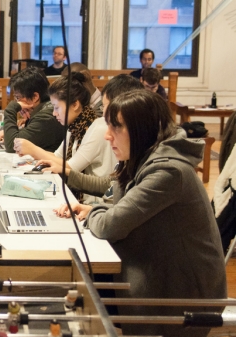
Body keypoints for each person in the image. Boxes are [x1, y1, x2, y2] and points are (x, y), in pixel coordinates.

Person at [54, 90, 227, 337]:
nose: (107, 135)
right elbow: (121, 207)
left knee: (77, 290)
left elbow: (111, 225)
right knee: (77, 287)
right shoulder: (146, 159)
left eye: (116, 127)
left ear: (142, 130)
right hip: (160, 272)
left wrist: (97, 213)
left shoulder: (168, 172)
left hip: (184, 292)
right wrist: (96, 209)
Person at [13, 73, 116, 204]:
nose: (54, 113)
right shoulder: (74, 126)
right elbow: (58, 157)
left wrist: (32, 149)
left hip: (94, 203)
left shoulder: (96, 128)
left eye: (57, 107)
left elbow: (70, 168)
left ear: (75, 105)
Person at [37, 74, 144, 200]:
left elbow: (122, 212)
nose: (107, 135)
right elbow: (110, 185)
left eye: (106, 107)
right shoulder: (77, 126)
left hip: (95, 204)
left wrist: (29, 149)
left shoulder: (157, 167)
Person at [0, 67, 65, 154]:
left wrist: (11, 108)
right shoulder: (43, 109)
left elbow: (11, 146)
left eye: (18, 97)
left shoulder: (46, 117)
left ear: (35, 97)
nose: (18, 102)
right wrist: (8, 132)